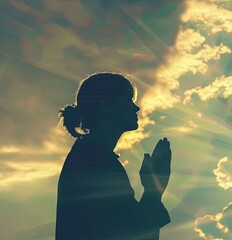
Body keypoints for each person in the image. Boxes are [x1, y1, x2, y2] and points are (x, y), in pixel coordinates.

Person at [56, 72, 172, 240]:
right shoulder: (96, 163)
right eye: (128, 99)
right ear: (107, 106)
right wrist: (153, 191)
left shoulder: (90, 157)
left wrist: (152, 191)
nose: (136, 107)